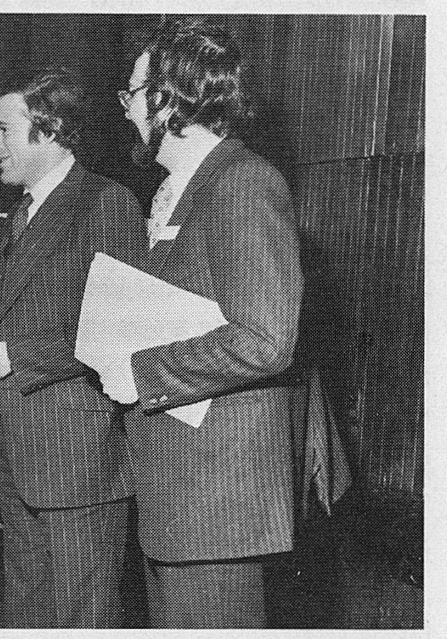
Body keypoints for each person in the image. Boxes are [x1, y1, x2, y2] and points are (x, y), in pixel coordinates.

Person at [109, 19, 303, 627]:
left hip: (216, 502)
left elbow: (266, 340)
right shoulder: (181, 189)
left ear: (169, 101)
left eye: (133, 93)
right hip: (177, 493)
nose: (126, 110)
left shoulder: (243, 184)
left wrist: (141, 372)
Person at [0, 68, 144, 627]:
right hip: (19, 458)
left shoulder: (106, 203)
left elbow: (120, 328)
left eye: (3, 130)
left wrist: (11, 356)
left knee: (81, 619)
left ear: (50, 129)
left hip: (77, 465)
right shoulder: (21, 214)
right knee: (28, 615)